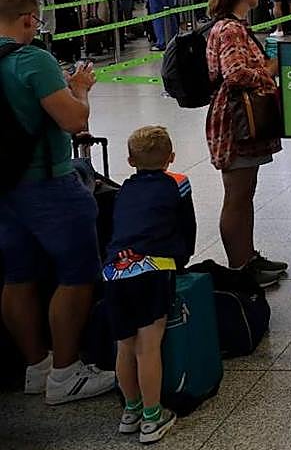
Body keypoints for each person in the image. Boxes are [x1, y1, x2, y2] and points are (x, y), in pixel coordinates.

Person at [0, 0, 114, 404]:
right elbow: (73, 120)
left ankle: (37, 366)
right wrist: (81, 88)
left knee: (18, 276)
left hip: (6, 187)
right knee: (78, 273)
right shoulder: (33, 60)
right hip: (49, 183)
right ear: (29, 19)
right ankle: (66, 373)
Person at [103, 126, 195, 444]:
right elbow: (187, 228)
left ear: (130, 160)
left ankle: (131, 410)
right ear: (171, 157)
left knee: (124, 345)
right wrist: (180, 259)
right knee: (148, 346)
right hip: (154, 269)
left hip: (115, 271)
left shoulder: (124, 189)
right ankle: (153, 418)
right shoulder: (178, 184)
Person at [204, 0, 287, 286]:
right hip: (236, 122)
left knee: (245, 193)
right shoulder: (230, 30)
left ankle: (248, 256)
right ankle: (239, 268)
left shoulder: (235, 26)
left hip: (243, 120)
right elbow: (235, 72)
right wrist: (268, 72)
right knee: (236, 196)